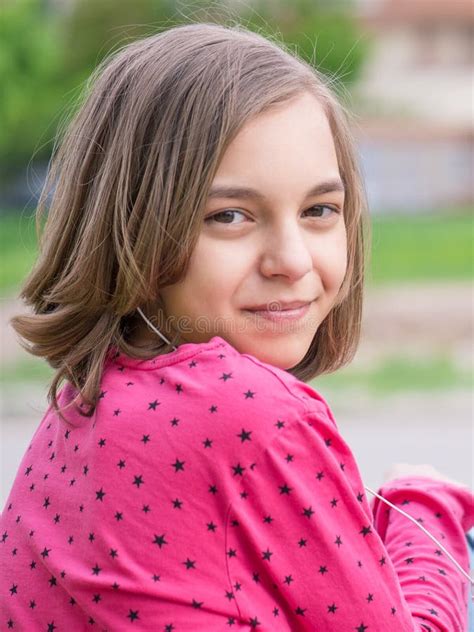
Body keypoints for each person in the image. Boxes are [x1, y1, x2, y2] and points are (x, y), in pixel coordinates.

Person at [0, 22, 472, 632]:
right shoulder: (249, 414)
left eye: (319, 211)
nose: (293, 260)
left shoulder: (79, 396)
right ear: (134, 225)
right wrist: (423, 504)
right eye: (230, 216)